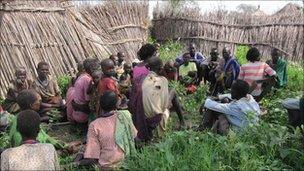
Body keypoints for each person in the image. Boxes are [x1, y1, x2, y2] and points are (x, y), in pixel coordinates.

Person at [74, 91, 137, 169]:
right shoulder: (124, 115)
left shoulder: (95, 125)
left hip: (107, 166)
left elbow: (92, 158)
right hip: (126, 160)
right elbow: (134, 136)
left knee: (83, 149)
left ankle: (74, 164)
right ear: (117, 104)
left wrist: (77, 163)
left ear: (100, 105)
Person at [130, 57, 184, 141]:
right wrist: (175, 78)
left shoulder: (138, 80)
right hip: (154, 119)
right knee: (173, 94)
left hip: (138, 117)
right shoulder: (163, 80)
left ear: (148, 68)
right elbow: (166, 104)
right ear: (161, 68)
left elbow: (131, 103)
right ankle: (181, 122)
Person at [67, 58, 100, 124]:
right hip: (83, 116)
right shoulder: (87, 80)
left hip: (78, 113)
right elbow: (88, 102)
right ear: (91, 69)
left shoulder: (81, 77)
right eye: (98, 68)